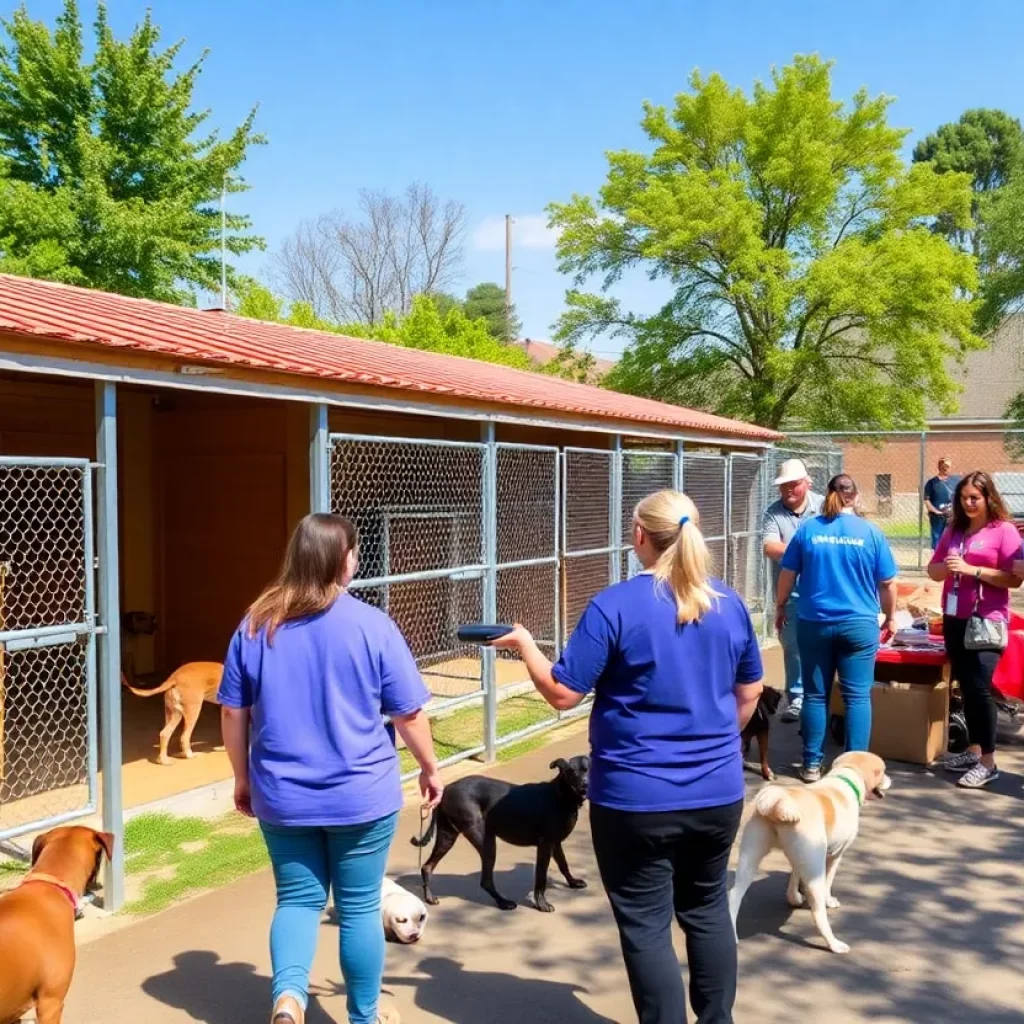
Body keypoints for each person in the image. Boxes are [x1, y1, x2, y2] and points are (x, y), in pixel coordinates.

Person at [492, 489, 763, 1024]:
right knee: (707, 910)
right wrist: (709, 745)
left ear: (639, 536)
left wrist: (524, 643)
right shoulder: (728, 603)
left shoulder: (614, 604)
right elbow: (750, 693)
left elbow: (563, 692)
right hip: (717, 794)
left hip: (635, 800)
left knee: (646, 924)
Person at [218, 513, 443, 1024]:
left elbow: (233, 710)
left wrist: (241, 777)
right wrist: (431, 767)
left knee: (296, 901)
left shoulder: (256, 624)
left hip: (284, 795)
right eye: (354, 553)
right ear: (343, 562)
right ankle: (363, 1017)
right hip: (361, 796)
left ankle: (289, 1000)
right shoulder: (371, 624)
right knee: (360, 906)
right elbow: (407, 713)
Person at [776, 475, 898, 783]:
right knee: (857, 697)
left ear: (825, 496)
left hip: (815, 623)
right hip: (858, 625)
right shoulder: (870, 532)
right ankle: (853, 770)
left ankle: (811, 765)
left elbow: (787, 574)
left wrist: (779, 606)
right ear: (855, 498)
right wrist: (891, 616)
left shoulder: (809, 530)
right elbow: (887, 583)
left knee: (816, 695)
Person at [928, 472, 1022, 789]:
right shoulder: (954, 529)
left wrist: (974, 570)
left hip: (987, 619)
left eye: (975, 498)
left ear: (988, 498)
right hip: (955, 617)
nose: (968, 503)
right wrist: (948, 567)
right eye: (964, 497)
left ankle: (988, 762)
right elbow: (933, 570)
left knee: (981, 689)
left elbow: (1015, 578)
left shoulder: (1003, 531)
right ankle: (973, 751)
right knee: (965, 687)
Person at [762, 459, 824, 723]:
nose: (788, 490)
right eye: (783, 485)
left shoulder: (824, 505)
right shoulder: (774, 513)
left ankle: (823, 697)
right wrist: (809, 550)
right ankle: (797, 699)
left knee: (825, 645)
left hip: (824, 591)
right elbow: (770, 546)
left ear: (807, 482)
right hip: (790, 594)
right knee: (793, 646)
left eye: (794, 484)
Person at [924, 457, 960, 551]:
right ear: (939, 466)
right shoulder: (931, 483)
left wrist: (955, 511)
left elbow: (959, 497)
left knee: (952, 538)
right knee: (937, 538)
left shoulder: (955, 482)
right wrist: (935, 511)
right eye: (944, 466)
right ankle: (937, 559)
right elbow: (927, 500)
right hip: (937, 516)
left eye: (948, 466)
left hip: (951, 515)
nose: (946, 468)